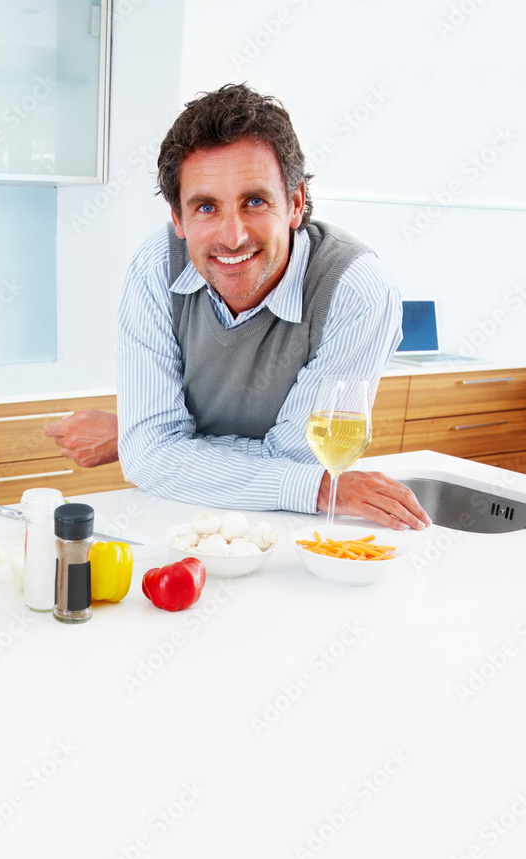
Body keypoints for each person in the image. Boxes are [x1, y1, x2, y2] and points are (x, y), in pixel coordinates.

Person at [49, 83, 428, 531]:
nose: (232, 236)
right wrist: (146, 446)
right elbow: (155, 457)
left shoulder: (355, 290)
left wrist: (140, 440)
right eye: (206, 207)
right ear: (178, 219)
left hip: (290, 524)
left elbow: (296, 460)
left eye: (254, 202)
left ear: (296, 203)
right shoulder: (156, 267)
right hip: (178, 521)